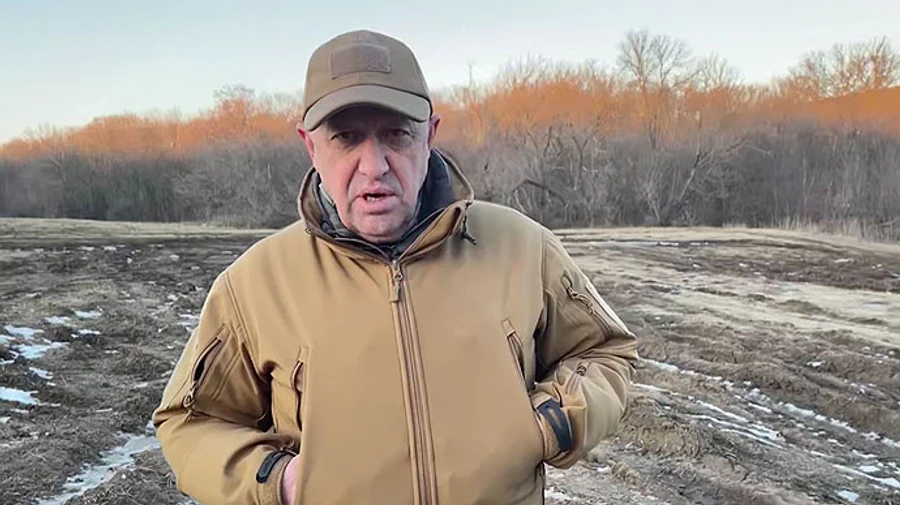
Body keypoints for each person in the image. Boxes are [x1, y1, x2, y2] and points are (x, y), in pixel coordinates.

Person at [151, 28, 639, 505]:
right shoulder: (255, 283)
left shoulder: (522, 246)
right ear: (311, 147)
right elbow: (189, 421)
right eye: (346, 138)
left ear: (430, 136)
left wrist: (552, 423)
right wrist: (278, 481)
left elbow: (604, 350)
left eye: (397, 135)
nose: (374, 165)